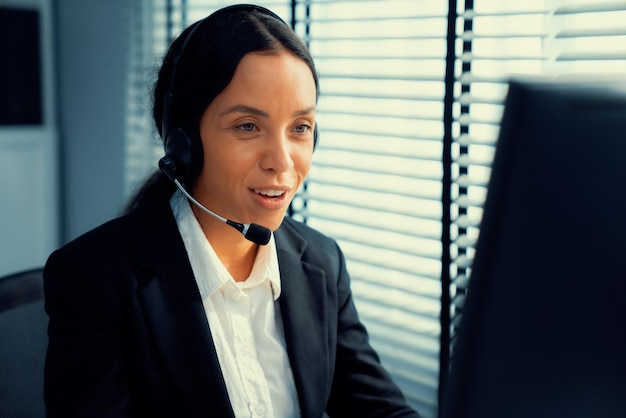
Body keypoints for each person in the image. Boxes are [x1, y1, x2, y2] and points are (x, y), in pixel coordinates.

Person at [43, 4, 421, 417]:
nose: (282, 161)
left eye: (300, 128)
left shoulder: (321, 264)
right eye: (247, 126)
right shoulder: (96, 279)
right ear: (183, 143)